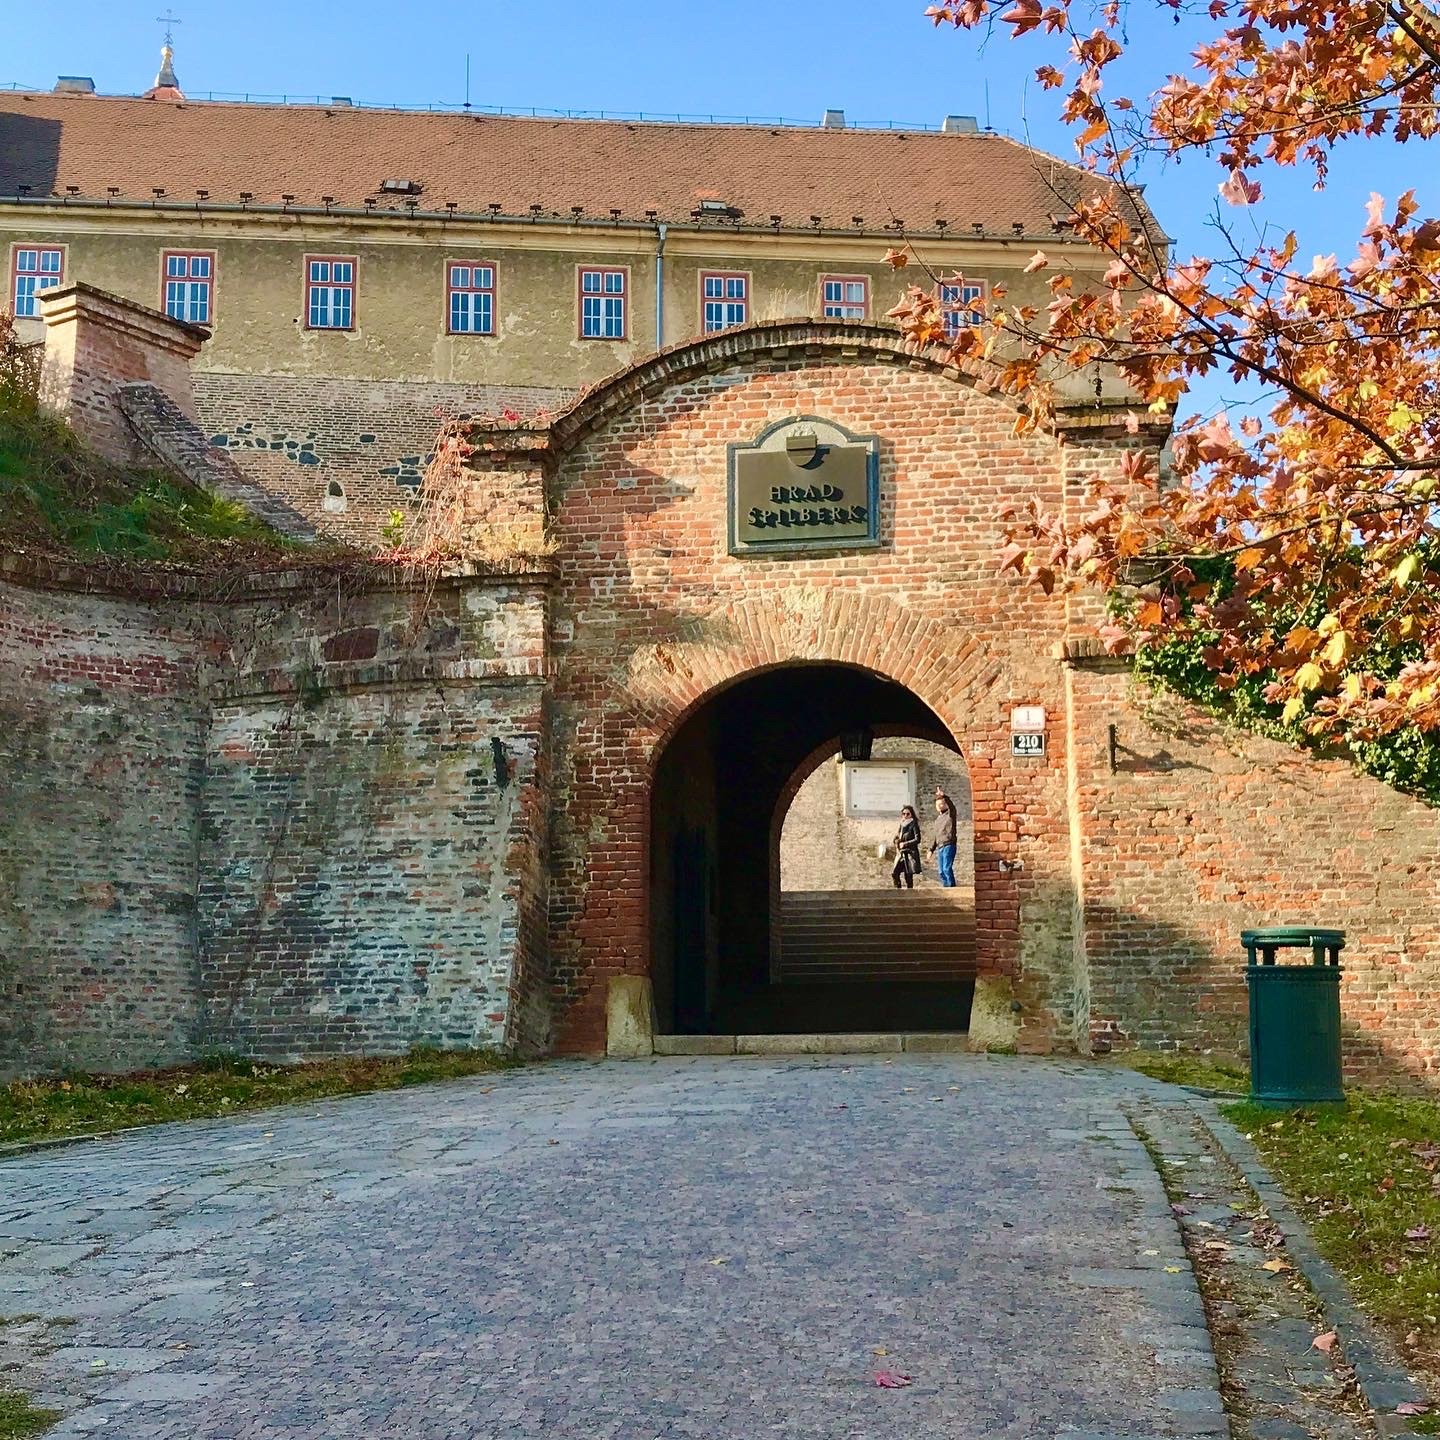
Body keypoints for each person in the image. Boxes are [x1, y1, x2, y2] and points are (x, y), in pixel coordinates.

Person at [929, 790, 958, 888]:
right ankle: (947, 887)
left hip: (949, 844)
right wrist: (931, 850)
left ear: (945, 804)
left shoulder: (950, 815)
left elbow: (952, 807)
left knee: (946, 868)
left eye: (941, 804)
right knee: (941, 871)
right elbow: (936, 836)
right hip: (940, 847)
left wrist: (944, 796)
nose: (940, 806)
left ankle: (952, 888)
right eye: (937, 805)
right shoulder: (938, 820)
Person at [891, 805, 922, 889]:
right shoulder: (901, 825)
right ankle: (898, 891)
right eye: (903, 814)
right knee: (894, 873)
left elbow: (917, 839)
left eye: (908, 814)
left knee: (908, 875)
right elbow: (898, 837)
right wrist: (896, 841)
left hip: (909, 853)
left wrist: (905, 844)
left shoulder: (914, 824)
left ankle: (910, 893)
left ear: (911, 814)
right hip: (901, 853)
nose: (905, 816)